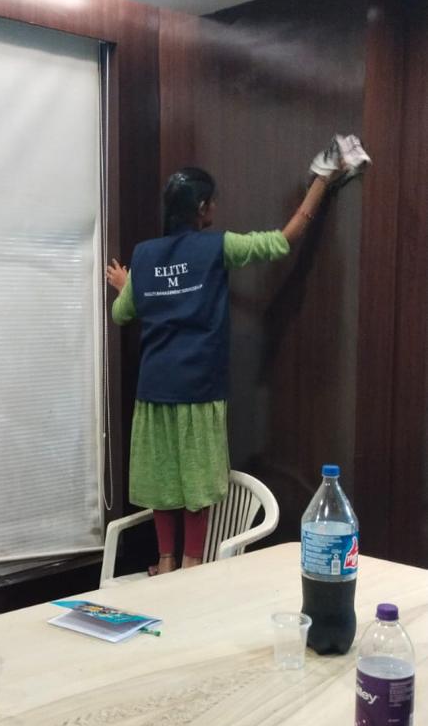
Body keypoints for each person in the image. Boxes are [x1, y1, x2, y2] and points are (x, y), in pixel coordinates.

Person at [106, 163, 343, 575]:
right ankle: (192, 564)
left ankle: (165, 562)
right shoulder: (218, 247)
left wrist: (128, 285)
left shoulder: (144, 255)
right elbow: (282, 241)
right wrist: (321, 182)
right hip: (198, 388)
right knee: (197, 482)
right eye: (213, 202)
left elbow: (122, 313)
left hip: (155, 389)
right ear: (202, 208)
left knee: (163, 480)